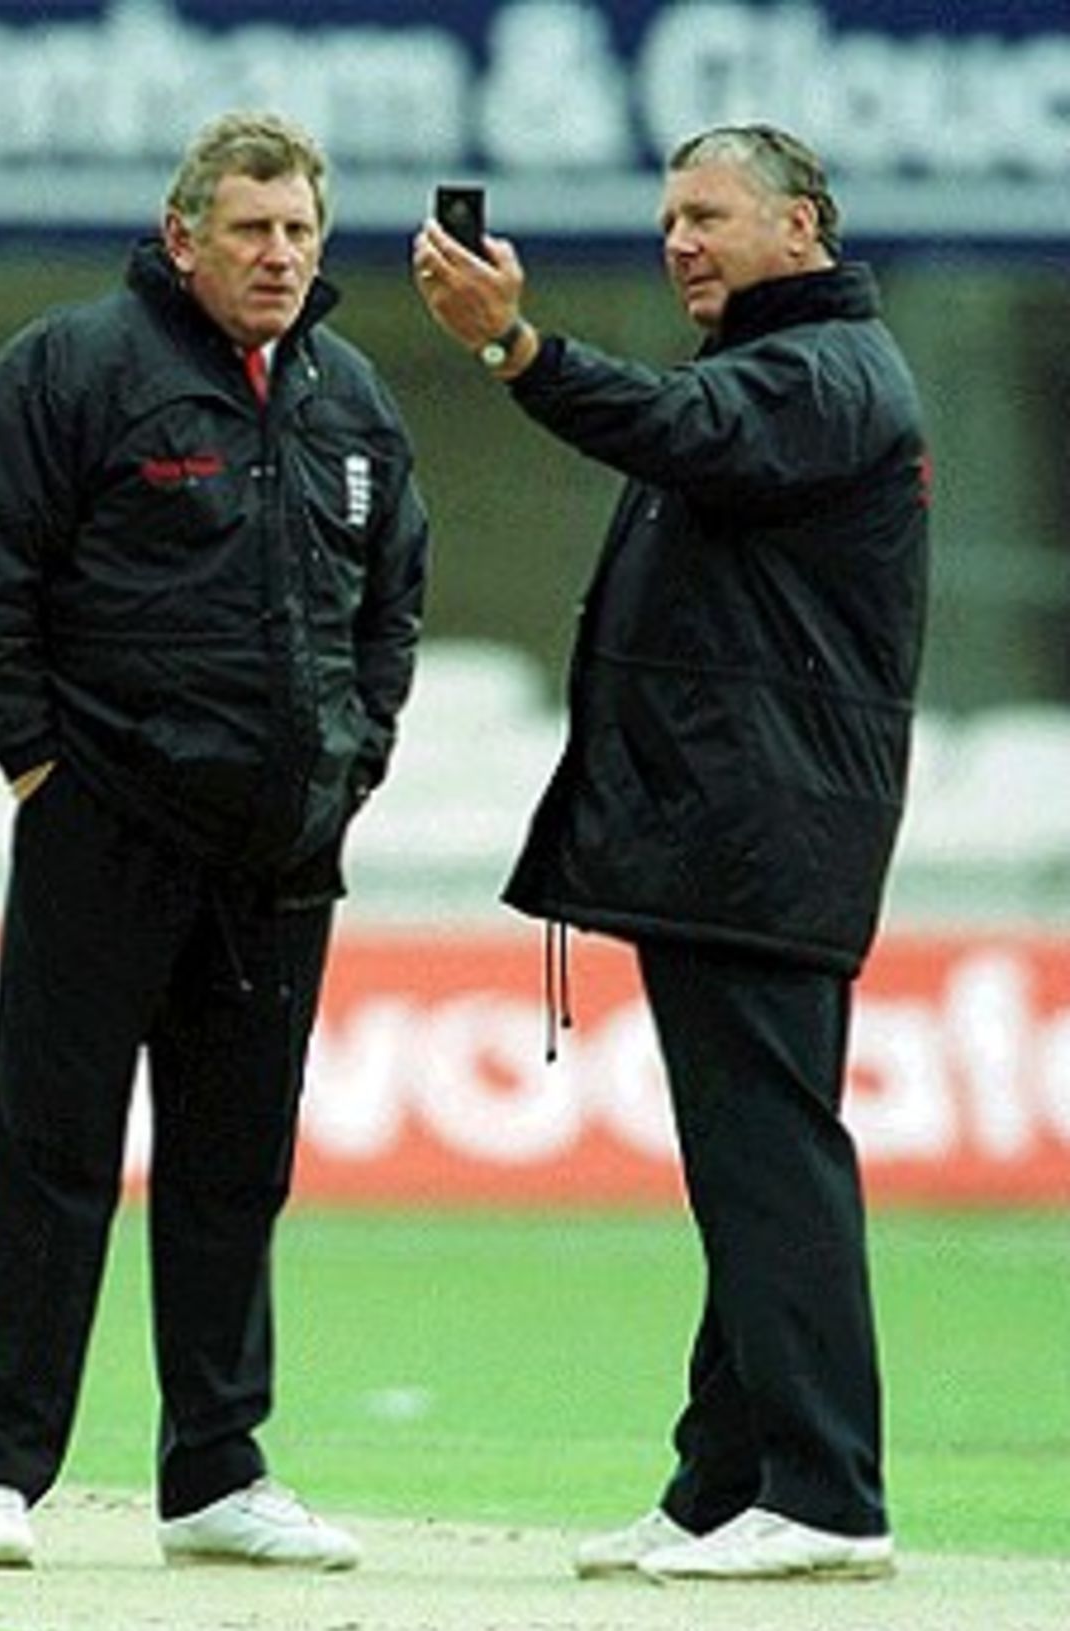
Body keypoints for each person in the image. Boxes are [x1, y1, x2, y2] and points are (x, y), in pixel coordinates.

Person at [413, 124, 927, 1582]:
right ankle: (726, 1485)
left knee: (771, 1163)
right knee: (751, 1167)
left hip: (763, 832)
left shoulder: (819, 376)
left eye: (710, 215)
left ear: (804, 229)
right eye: (667, 218)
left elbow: (674, 430)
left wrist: (515, 347)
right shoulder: (794, 373)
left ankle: (829, 1496)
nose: (680, 240)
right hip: (747, 828)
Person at [0, 110, 428, 1572]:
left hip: (280, 852)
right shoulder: (72, 369)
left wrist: (353, 762)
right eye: (253, 230)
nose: (280, 256)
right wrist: (37, 770)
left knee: (234, 1165)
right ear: (182, 235)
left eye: (301, 233)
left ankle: (216, 1472)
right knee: (50, 1147)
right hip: (105, 829)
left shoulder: (350, 395)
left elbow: (391, 603)